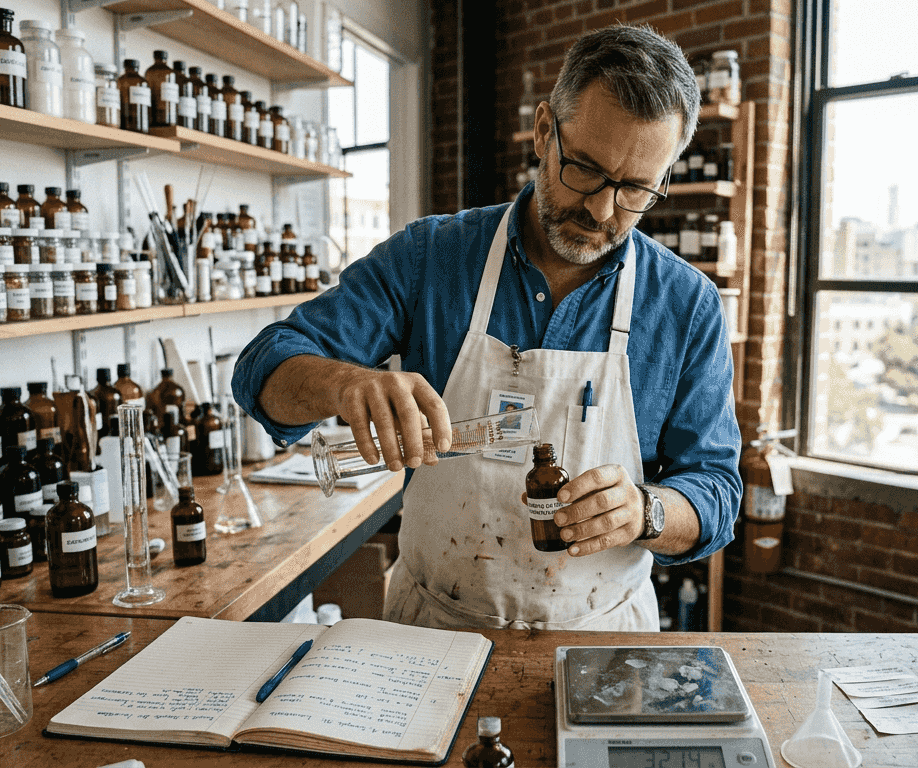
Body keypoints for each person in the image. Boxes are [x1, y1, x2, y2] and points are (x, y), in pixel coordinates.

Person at [233, 24, 740, 631]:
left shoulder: (686, 304)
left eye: (634, 189)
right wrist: (345, 384)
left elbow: (715, 489)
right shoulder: (432, 258)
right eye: (585, 169)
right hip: (432, 627)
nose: (602, 210)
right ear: (544, 131)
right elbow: (263, 367)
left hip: (600, 633)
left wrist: (646, 512)